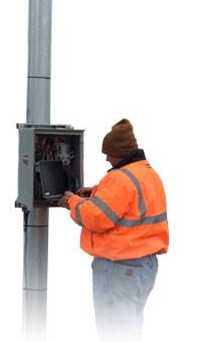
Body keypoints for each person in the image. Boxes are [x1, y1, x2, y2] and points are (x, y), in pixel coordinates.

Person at [58, 118, 168, 341]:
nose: (107, 158)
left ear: (120, 153)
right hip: (144, 267)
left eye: (108, 154)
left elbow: (96, 218)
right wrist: (95, 193)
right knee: (130, 328)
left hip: (119, 269)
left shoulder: (119, 179)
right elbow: (127, 202)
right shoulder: (148, 173)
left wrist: (71, 201)